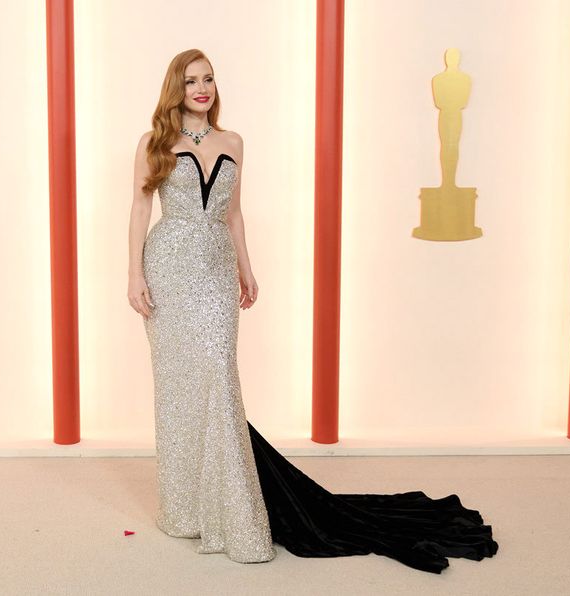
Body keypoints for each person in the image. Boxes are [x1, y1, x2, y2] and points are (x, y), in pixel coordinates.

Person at [127, 48, 498, 573]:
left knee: (217, 379)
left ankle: (232, 511)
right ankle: (185, 508)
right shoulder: (153, 143)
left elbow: (233, 212)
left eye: (208, 78)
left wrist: (246, 268)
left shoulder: (233, 142)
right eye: (191, 81)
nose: (202, 88)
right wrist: (134, 273)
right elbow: (141, 207)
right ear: (176, 88)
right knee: (178, 386)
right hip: (167, 266)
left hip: (214, 267)